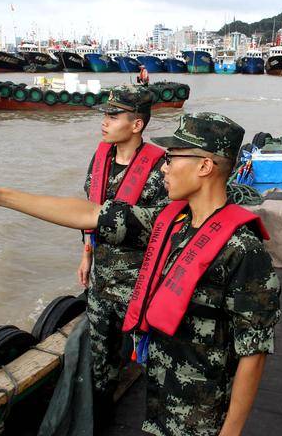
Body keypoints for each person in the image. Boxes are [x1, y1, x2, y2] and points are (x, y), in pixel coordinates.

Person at [0, 112, 280, 436]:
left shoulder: (242, 250)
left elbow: (254, 353)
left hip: (203, 416)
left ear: (205, 166)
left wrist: (231, 432)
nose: (163, 168)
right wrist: (0, 196)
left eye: (173, 157)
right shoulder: (170, 222)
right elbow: (89, 214)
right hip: (160, 399)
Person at [79, 86, 167, 421]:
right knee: (100, 358)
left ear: (136, 125)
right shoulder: (100, 157)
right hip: (101, 278)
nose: (104, 122)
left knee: (153, 357)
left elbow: (164, 231)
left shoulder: (162, 169)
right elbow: (89, 212)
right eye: (105, 115)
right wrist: (86, 254)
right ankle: (100, 414)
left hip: (140, 283)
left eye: (113, 116)